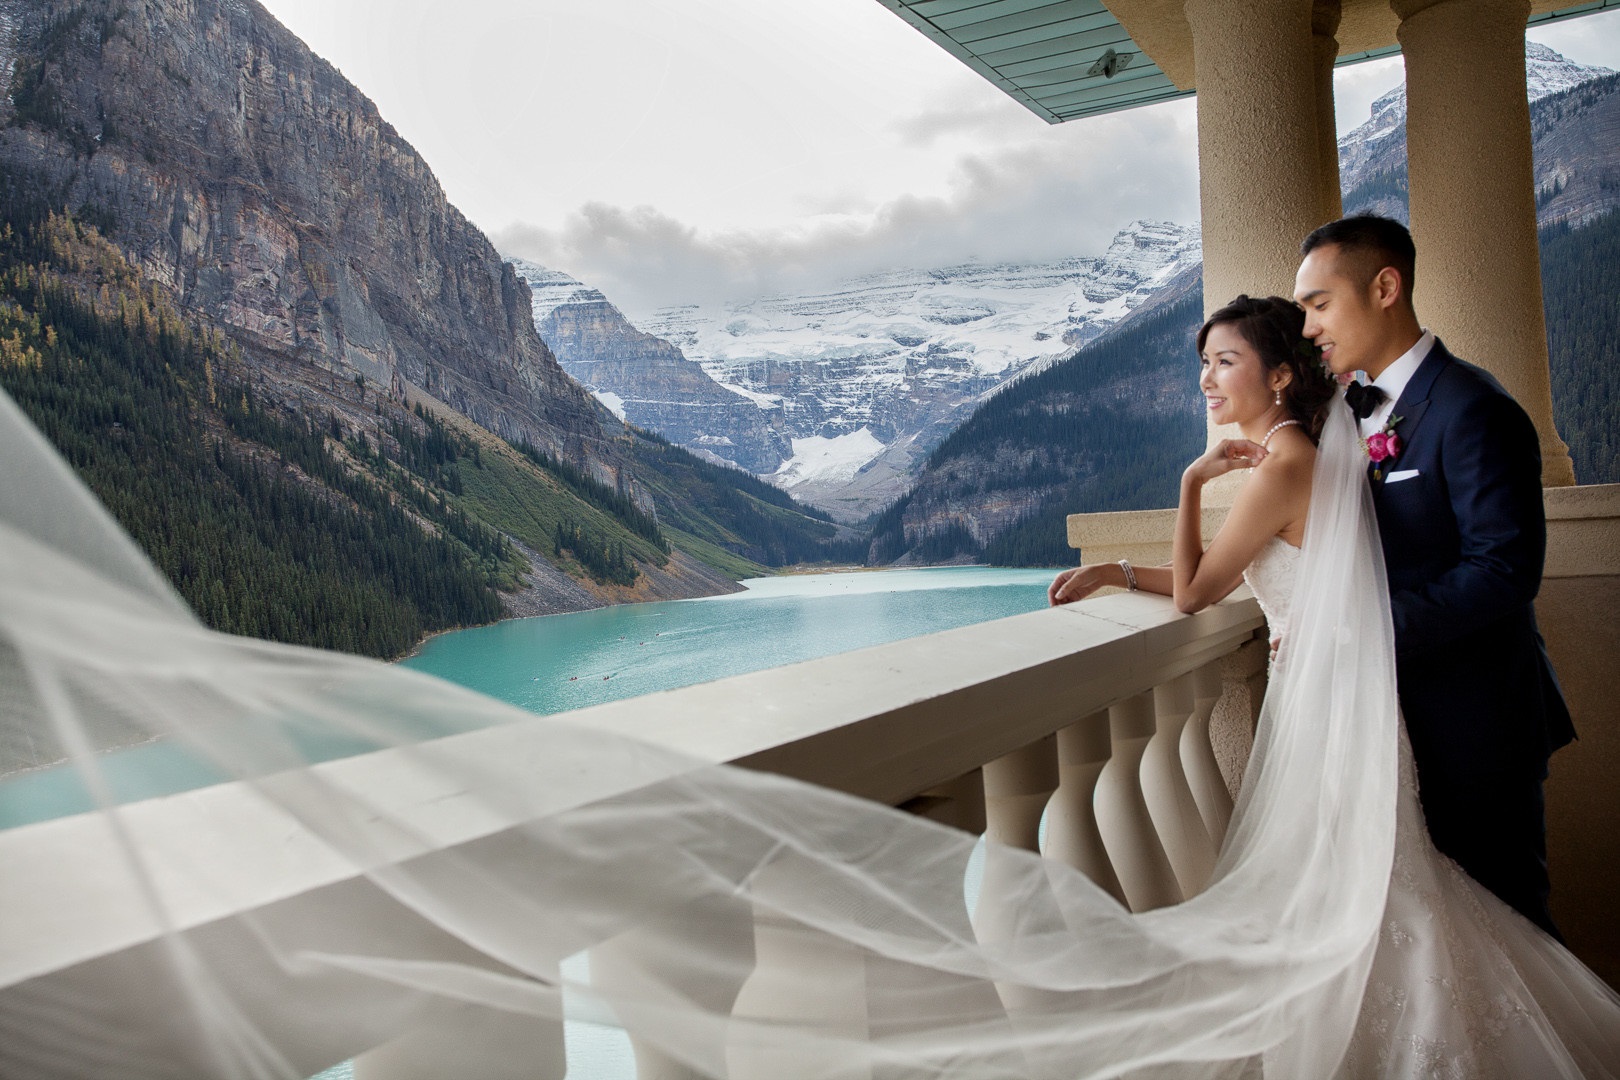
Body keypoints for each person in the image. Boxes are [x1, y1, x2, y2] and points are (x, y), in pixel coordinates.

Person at [2, 289, 1616, 1078]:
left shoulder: (1266, 462)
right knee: (1387, 891)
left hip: (1359, 705)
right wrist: (1124, 564)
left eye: (1226, 361)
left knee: (1374, 908)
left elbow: (1212, 577)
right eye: (1199, 364)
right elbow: (1204, 596)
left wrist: (1181, 492)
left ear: (1280, 372)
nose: (1208, 381)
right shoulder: (1301, 451)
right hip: (1340, 704)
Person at [1294, 213, 1575, 937]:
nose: (1308, 328)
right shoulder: (1350, 413)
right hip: (1392, 725)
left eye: (1318, 304)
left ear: (1385, 286)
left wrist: (1360, 629)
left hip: (1475, 724)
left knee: (1510, 928)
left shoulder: (1473, 408)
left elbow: (1504, 570)